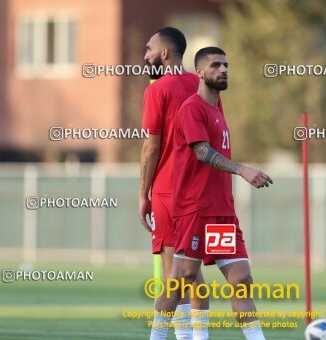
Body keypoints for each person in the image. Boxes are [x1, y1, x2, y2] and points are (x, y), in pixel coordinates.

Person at [149, 46, 273, 340]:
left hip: (221, 212)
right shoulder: (192, 108)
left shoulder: (217, 109)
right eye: (216, 65)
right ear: (200, 73)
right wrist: (242, 169)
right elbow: (202, 152)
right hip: (195, 210)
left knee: (241, 279)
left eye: (226, 65)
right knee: (180, 282)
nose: (224, 69)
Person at [139, 27, 209, 340]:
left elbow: (151, 147)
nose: (145, 55)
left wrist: (143, 194)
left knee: (175, 275)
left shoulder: (157, 90)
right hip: (201, 194)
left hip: (169, 192)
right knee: (191, 273)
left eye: (149, 48)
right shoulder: (202, 85)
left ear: (165, 53)